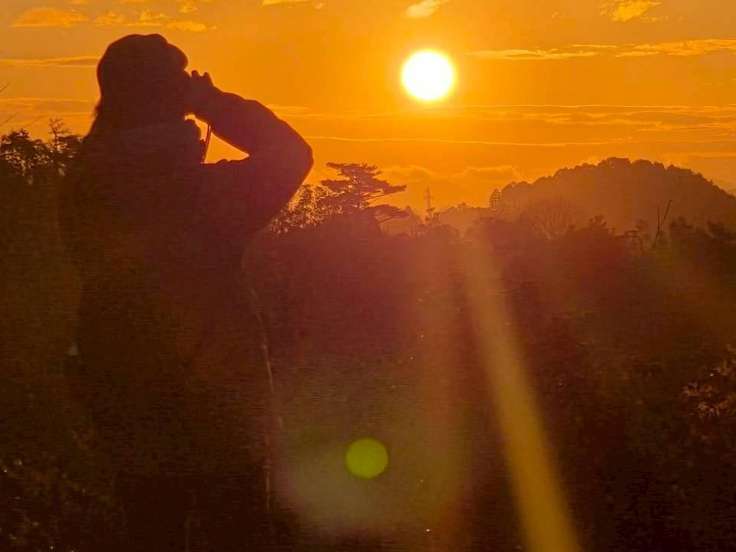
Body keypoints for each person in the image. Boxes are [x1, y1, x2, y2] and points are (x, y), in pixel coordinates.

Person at [59, 34, 312, 551]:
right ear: (169, 99)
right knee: (236, 534)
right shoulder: (199, 194)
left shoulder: (86, 183)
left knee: (150, 530)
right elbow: (291, 154)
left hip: (125, 399)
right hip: (218, 409)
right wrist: (213, 104)